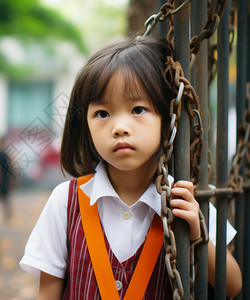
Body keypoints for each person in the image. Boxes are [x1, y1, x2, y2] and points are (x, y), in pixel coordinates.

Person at [19, 35, 242, 299]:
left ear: (166, 116)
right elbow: (48, 293)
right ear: (85, 126)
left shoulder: (187, 198)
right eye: (102, 114)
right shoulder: (65, 202)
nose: (120, 127)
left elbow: (233, 285)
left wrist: (196, 234)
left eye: (138, 109)